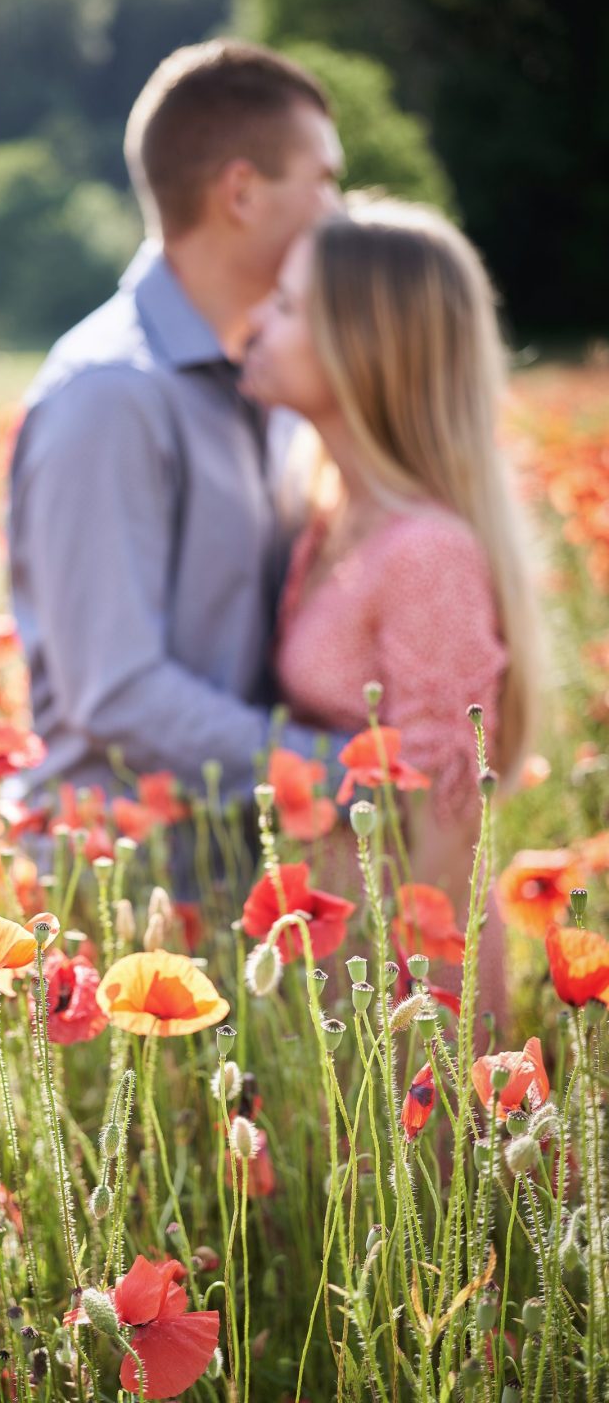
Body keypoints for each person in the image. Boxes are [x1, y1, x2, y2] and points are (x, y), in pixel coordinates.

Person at [8, 40, 346, 806]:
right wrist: (349, 777)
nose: (340, 211)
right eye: (325, 180)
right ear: (242, 193)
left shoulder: (271, 379)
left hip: (241, 868)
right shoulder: (110, 396)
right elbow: (118, 691)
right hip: (124, 889)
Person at [241, 195, 538, 1007]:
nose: (253, 324)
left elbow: (450, 830)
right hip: (335, 982)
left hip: (405, 1004)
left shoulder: (427, 554)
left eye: (287, 305)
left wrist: (417, 1053)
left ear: (359, 349)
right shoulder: (331, 515)